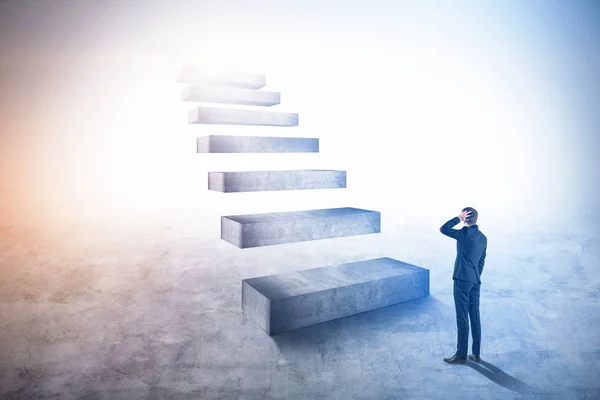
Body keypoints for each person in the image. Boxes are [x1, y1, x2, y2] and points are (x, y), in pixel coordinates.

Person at [440, 207, 487, 364]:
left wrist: (457, 218)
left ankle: (461, 356)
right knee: (475, 315)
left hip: (462, 279)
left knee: (462, 316)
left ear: (465, 217)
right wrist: (475, 275)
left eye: (463, 215)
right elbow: (481, 262)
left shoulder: (464, 234)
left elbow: (444, 229)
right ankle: (476, 353)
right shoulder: (483, 238)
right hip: (475, 280)